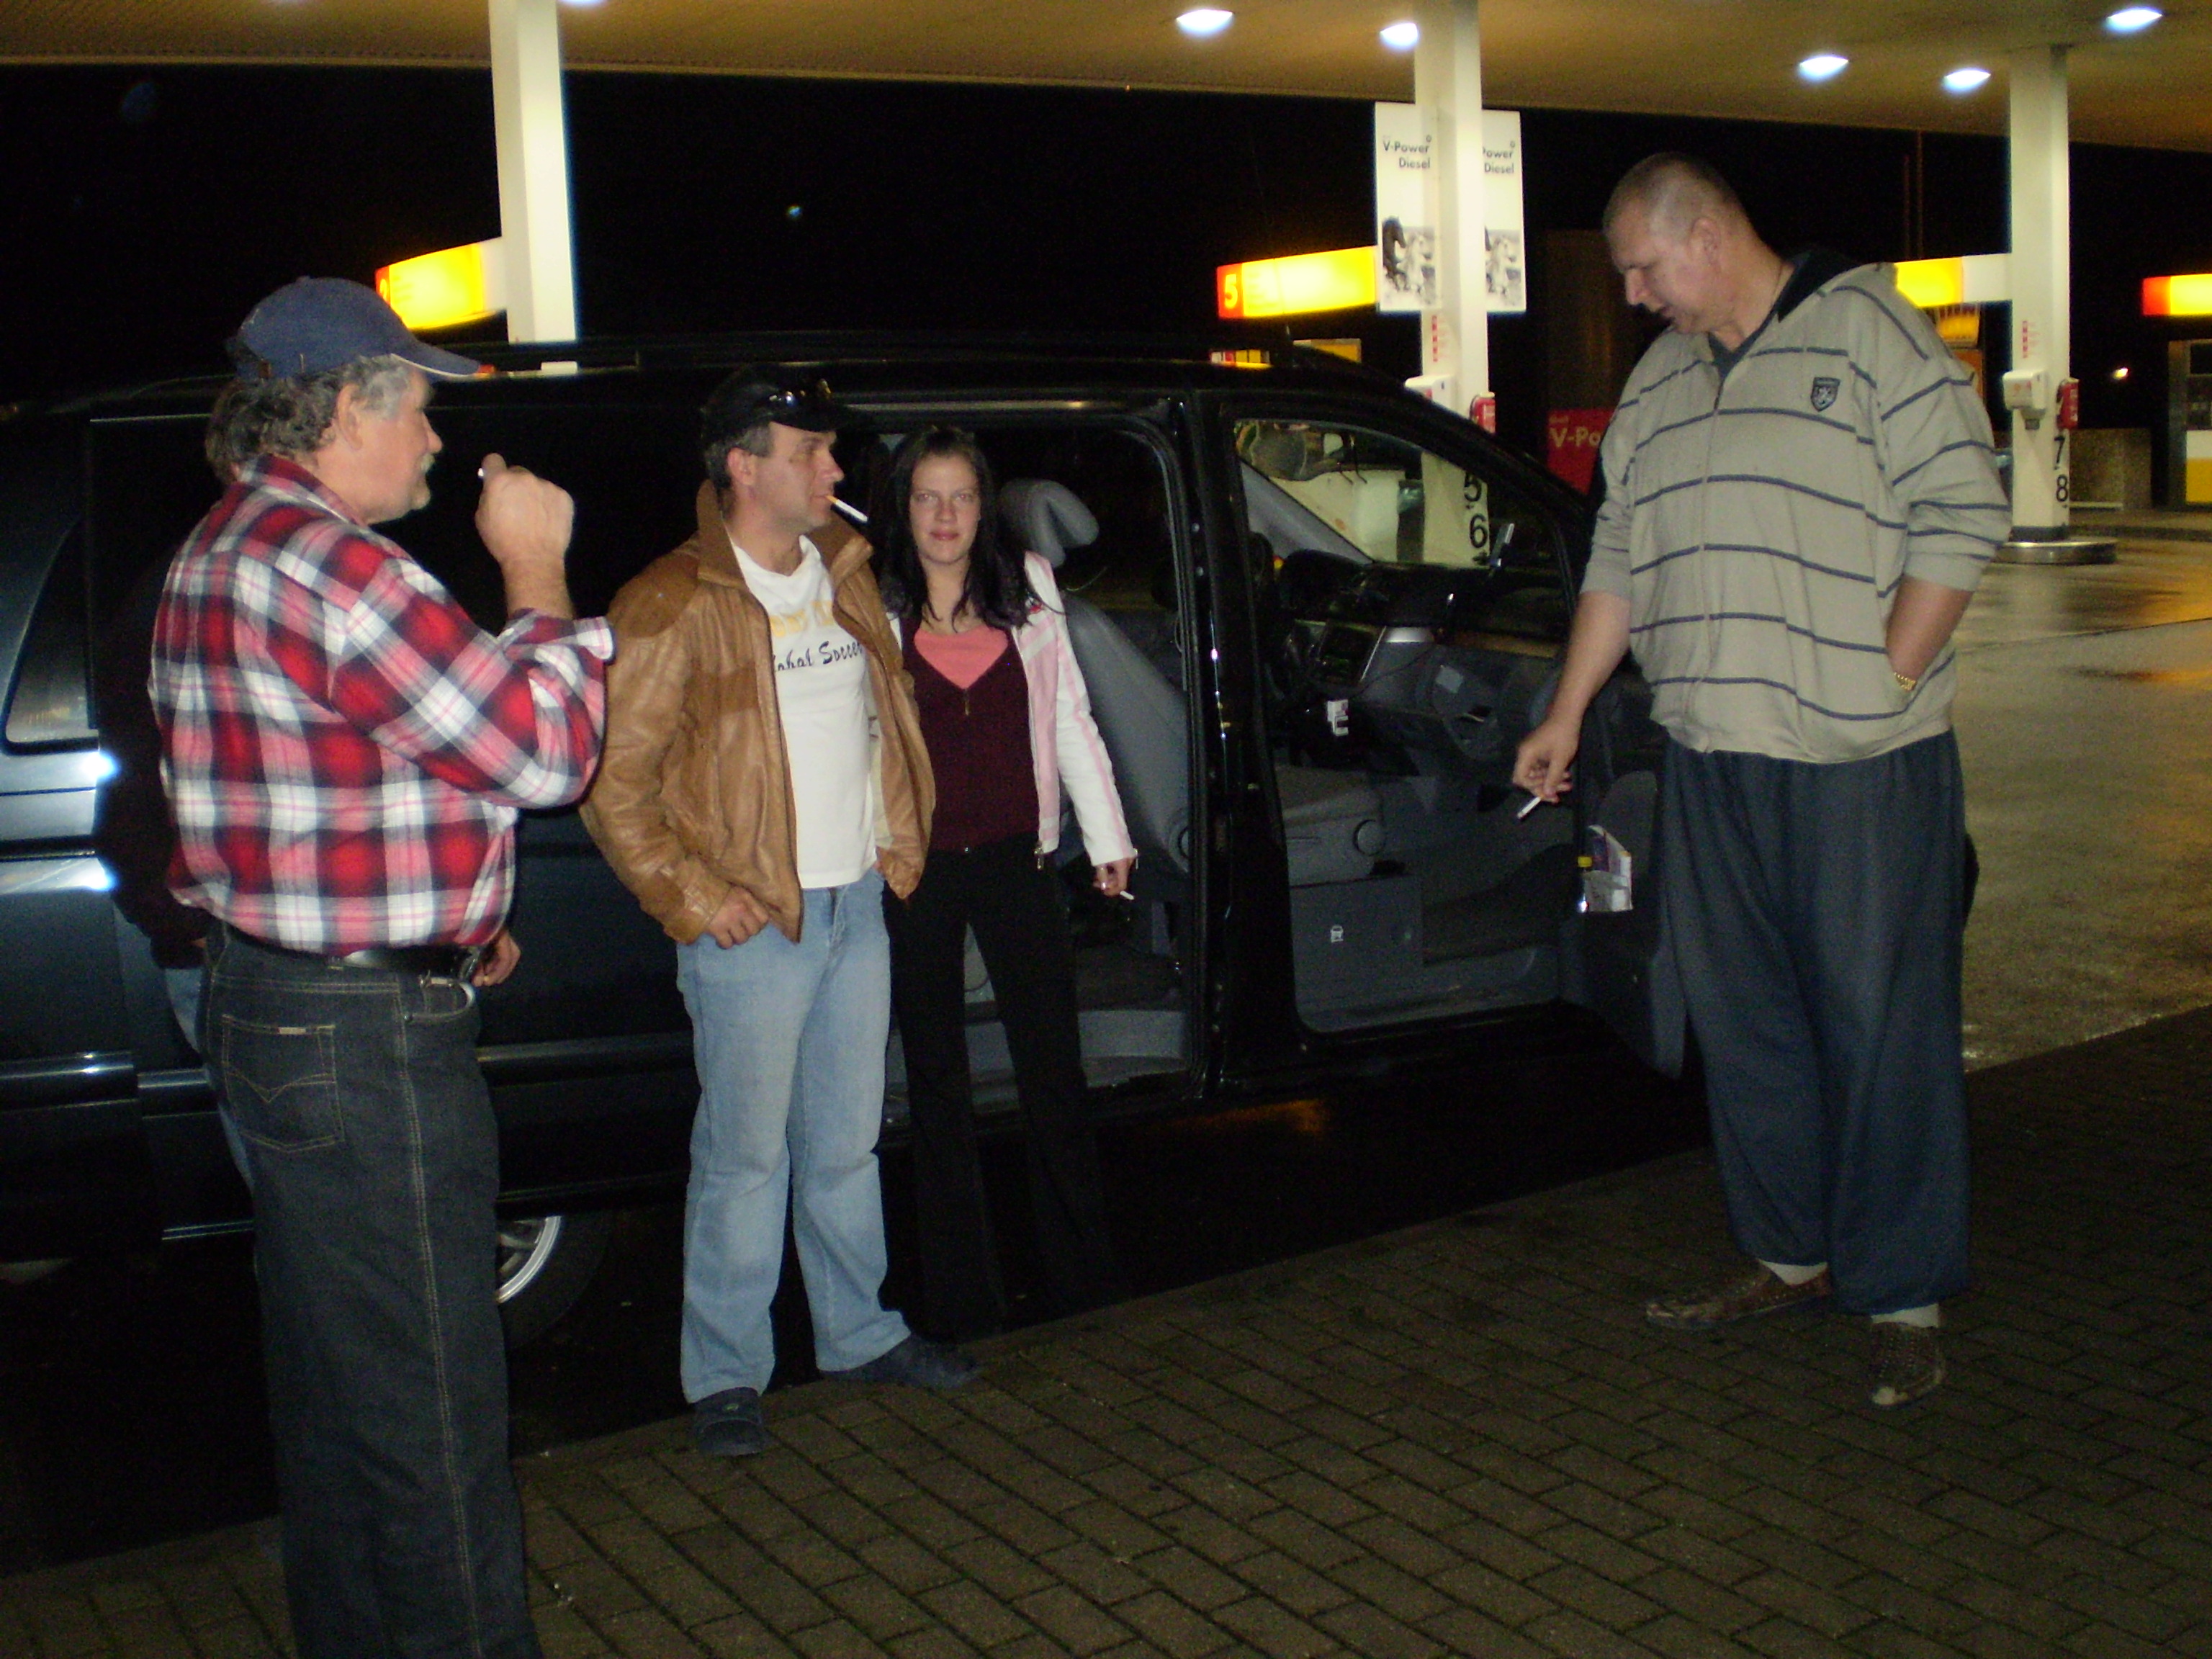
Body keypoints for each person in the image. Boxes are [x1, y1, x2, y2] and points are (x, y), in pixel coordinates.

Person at [150, 276, 611, 1658]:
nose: (432, 438)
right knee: (430, 1419)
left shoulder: (219, 549)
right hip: (361, 1043)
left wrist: (450, 914)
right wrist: (537, 569)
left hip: (271, 1003)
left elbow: (311, 790)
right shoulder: (338, 567)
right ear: (348, 403)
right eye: (414, 405)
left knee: (337, 1400)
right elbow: (544, 751)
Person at [1513, 156, 2008, 1408]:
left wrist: (1889, 676)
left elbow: (1963, 509)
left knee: (1881, 1026)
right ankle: (1790, 1253)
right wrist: (1565, 712)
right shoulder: (1662, 380)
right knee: (1746, 1024)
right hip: (1712, 757)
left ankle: (1900, 1292)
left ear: (1706, 234)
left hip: (1860, 766)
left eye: (1642, 268)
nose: (1633, 295)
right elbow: (1618, 557)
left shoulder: (1869, 331)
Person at [580, 369, 976, 1460]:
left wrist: (894, 835)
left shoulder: (844, 570)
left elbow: (881, 720)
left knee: (846, 1143)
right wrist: (695, 898)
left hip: (856, 904)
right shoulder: (672, 600)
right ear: (745, 467)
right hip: (755, 922)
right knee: (744, 1157)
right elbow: (615, 782)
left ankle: (857, 1333)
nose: (835, 469)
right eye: (810, 452)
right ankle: (725, 1375)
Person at [870, 428, 1134, 1340]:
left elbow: (1069, 718)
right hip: (917, 870)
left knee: (1051, 1067)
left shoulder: (1029, 586)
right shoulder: (875, 602)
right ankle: (961, 1297)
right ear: (905, 508)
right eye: (927, 497)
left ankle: (1081, 1275)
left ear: (985, 506)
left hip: (1021, 858)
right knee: (936, 1080)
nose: (945, 516)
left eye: (962, 497)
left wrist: (1109, 838)